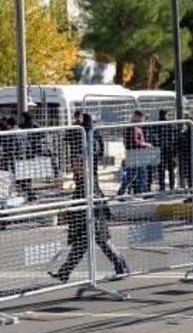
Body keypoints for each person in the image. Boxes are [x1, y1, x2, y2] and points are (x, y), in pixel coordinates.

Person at [50, 123, 129, 283]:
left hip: (93, 214)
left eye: (75, 164)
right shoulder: (81, 176)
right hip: (85, 215)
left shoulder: (87, 177)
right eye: (72, 164)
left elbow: (90, 195)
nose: (72, 167)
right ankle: (64, 273)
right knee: (81, 245)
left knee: (102, 241)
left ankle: (122, 266)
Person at [123, 110, 154, 194]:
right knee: (135, 174)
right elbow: (135, 142)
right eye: (142, 119)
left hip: (136, 153)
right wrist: (146, 145)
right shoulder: (133, 128)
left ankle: (143, 192)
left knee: (141, 174)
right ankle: (122, 192)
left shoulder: (136, 127)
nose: (143, 121)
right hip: (135, 154)